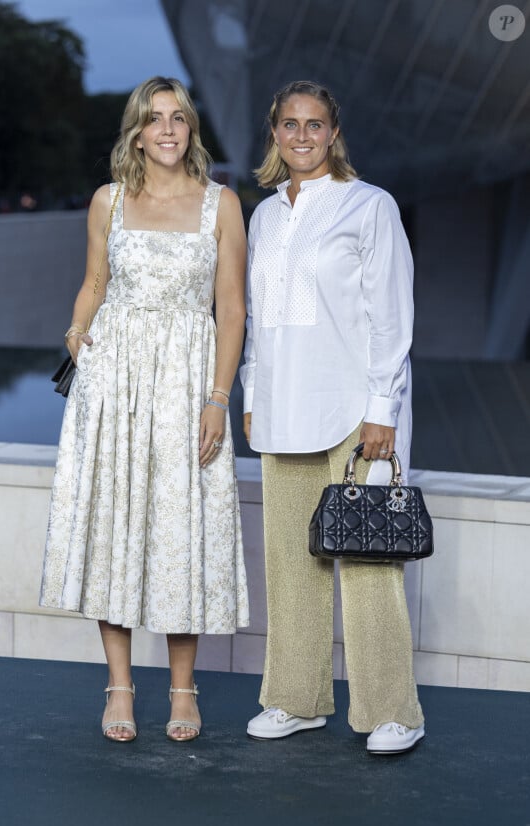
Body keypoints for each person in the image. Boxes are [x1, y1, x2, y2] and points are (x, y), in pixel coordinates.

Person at [40, 77, 249, 743]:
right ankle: (120, 685)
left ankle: (184, 692)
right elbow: (95, 284)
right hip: (117, 383)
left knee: (178, 530)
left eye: (179, 118)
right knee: (117, 528)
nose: (167, 129)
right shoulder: (108, 201)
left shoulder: (223, 204)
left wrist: (219, 398)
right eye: (155, 118)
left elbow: (233, 308)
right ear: (135, 130)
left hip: (189, 381)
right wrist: (76, 334)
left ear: (191, 129)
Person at [241, 80, 424, 754]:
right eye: (290, 125)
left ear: (334, 132)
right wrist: (253, 397)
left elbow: (392, 318)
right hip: (285, 407)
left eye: (314, 125)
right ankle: (297, 698)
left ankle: (393, 710)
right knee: (292, 563)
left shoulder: (370, 207)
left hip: (355, 412)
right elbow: (259, 323)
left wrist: (383, 411)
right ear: (275, 134)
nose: (302, 136)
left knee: (368, 561)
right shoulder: (263, 218)